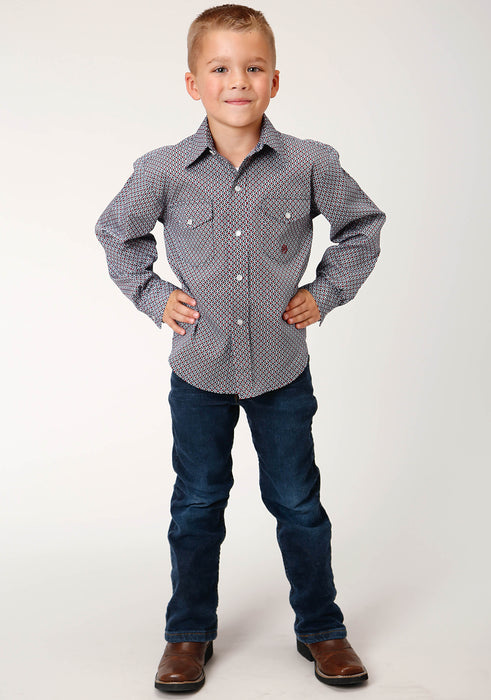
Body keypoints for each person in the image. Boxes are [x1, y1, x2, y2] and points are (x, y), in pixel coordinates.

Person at [94, 3, 386, 692]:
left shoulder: (310, 162)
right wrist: (153, 296)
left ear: (274, 81)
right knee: (197, 503)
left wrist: (325, 292)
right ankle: (187, 634)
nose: (237, 82)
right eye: (220, 68)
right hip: (199, 370)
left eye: (253, 68)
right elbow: (116, 234)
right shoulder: (163, 169)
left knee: (298, 503)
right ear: (192, 83)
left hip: (282, 370)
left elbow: (362, 227)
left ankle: (322, 628)